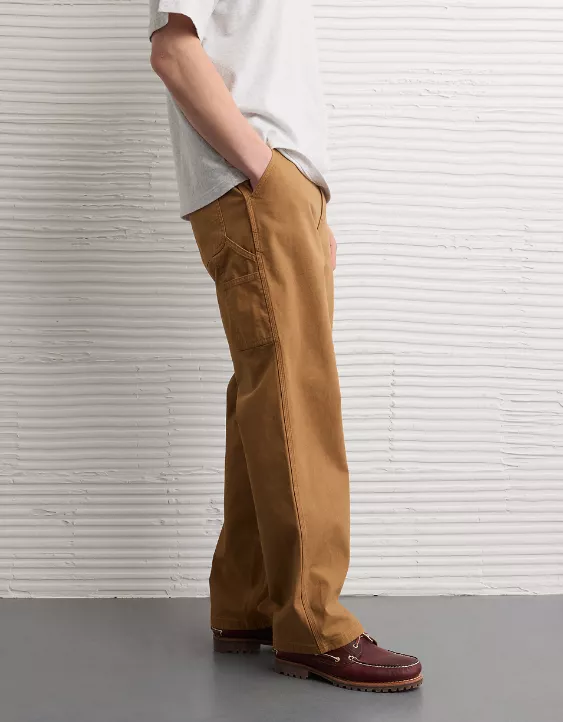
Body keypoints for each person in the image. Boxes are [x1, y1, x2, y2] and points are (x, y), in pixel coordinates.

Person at [148, 0, 422, 693]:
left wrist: (305, 197)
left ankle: (248, 603)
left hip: (276, 187)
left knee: (268, 389)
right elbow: (174, 51)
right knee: (297, 392)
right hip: (253, 183)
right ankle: (313, 623)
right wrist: (267, 174)